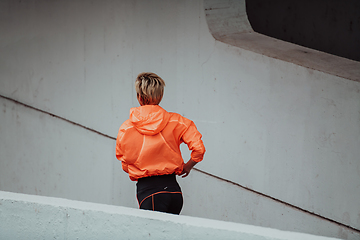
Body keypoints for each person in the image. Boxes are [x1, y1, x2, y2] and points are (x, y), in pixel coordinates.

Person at [115, 72, 205, 215]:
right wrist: (187, 166)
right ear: (160, 96)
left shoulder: (126, 128)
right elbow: (199, 149)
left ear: (139, 97)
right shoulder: (177, 121)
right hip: (175, 192)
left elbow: (124, 162)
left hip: (149, 193)